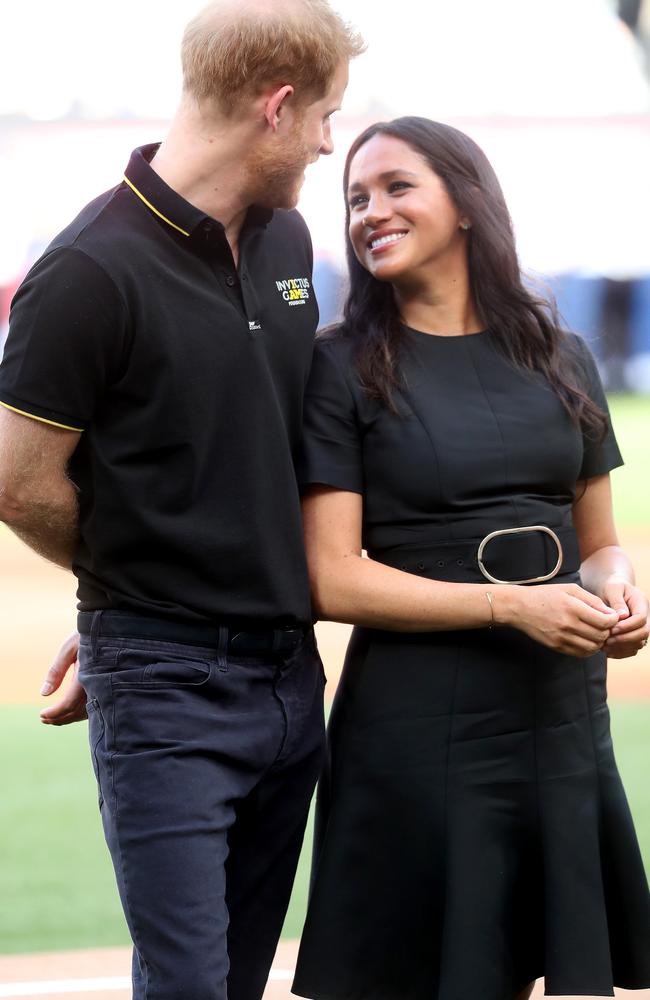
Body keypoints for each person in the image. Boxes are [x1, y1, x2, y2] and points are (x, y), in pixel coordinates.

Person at [0, 3, 363, 998]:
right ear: (275, 108)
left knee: (235, 984)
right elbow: (18, 484)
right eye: (326, 115)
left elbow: (257, 447)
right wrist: (132, 589)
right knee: (191, 988)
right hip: (164, 689)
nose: (330, 141)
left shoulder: (289, 243)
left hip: (292, 677)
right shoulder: (84, 273)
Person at [291, 117, 650, 1000]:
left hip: (562, 724)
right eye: (356, 199)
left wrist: (618, 590)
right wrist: (511, 606)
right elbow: (331, 577)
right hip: (419, 731)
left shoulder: (561, 354)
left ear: (466, 202)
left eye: (396, 187)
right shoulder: (337, 367)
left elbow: (597, 542)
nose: (371, 210)